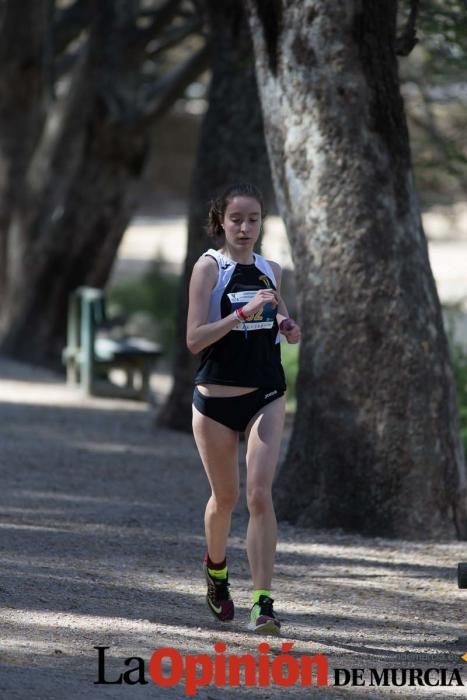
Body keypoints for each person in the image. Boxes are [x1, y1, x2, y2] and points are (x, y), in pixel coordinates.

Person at [186, 182, 301, 635]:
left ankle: (264, 603)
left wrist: (289, 326)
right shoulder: (209, 268)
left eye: (253, 219)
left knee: (258, 494)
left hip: (266, 395)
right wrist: (240, 314)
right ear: (221, 221)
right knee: (226, 498)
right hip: (216, 401)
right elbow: (194, 339)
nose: (245, 227)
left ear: (261, 223)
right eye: (236, 219)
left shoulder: (272, 269)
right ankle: (216, 571)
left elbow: (280, 320)